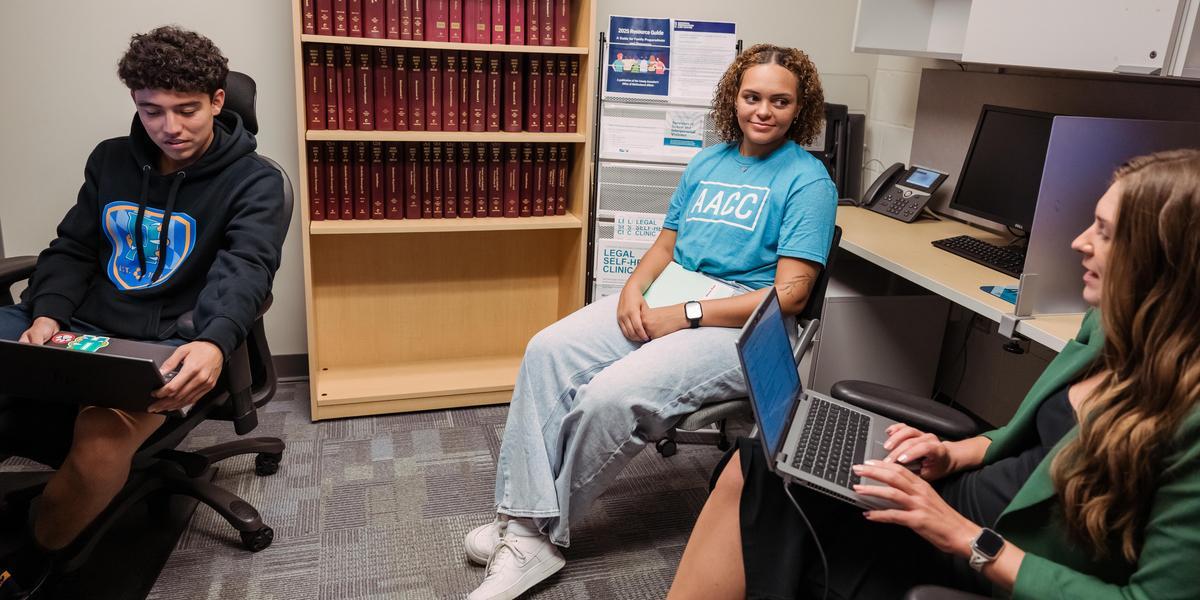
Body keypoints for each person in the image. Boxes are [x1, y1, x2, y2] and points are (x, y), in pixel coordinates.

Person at [667, 149, 1200, 599]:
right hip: (955, 499)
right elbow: (1032, 440)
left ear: (1164, 260)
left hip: (989, 555)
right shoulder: (1112, 325)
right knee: (763, 463)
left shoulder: (1189, 420)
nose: (1079, 242)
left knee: (765, 490)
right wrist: (953, 453)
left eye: (1105, 233)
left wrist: (962, 536)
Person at [465, 44, 838, 600]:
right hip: (671, 290)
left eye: (779, 101)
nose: (763, 111)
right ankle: (524, 521)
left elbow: (789, 294)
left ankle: (539, 535)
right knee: (547, 349)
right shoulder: (706, 162)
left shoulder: (808, 180)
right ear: (732, 96)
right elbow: (666, 244)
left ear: (799, 108)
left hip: (742, 325)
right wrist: (632, 291)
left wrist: (684, 314)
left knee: (611, 395)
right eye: (752, 96)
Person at [0, 26, 285, 599]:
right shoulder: (110, 161)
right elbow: (74, 249)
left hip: (164, 346)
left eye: (187, 110)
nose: (170, 128)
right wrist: (49, 313)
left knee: (101, 440)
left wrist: (213, 340)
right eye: (152, 111)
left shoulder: (255, 182)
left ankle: (27, 563)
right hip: (79, 329)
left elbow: (247, 271)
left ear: (218, 102)